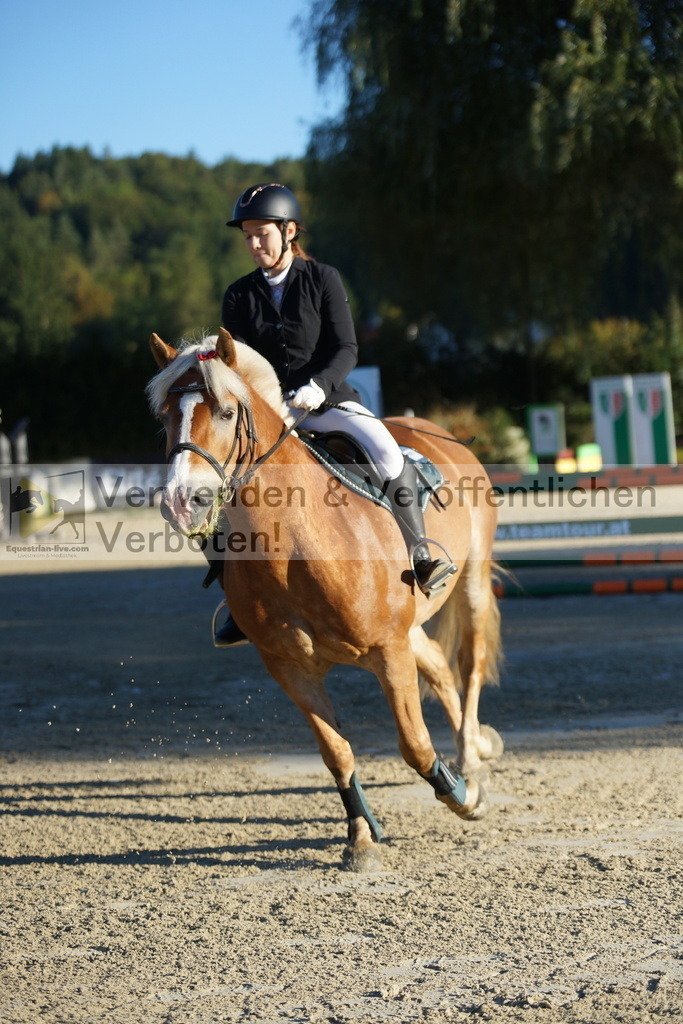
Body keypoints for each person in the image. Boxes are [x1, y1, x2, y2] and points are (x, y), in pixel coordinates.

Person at [213, 183, 455, 646]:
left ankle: (420, 552)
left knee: (386, 451)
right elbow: (235, 360)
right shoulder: (237, 295)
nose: (253, 245)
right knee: (222, 486)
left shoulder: (322, 278)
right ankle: (236, 598)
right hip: (268, 417)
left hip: (326, 401)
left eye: (262, 234)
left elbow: (346, 347)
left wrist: (317, 387)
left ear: (288, 231)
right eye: (246, 236)